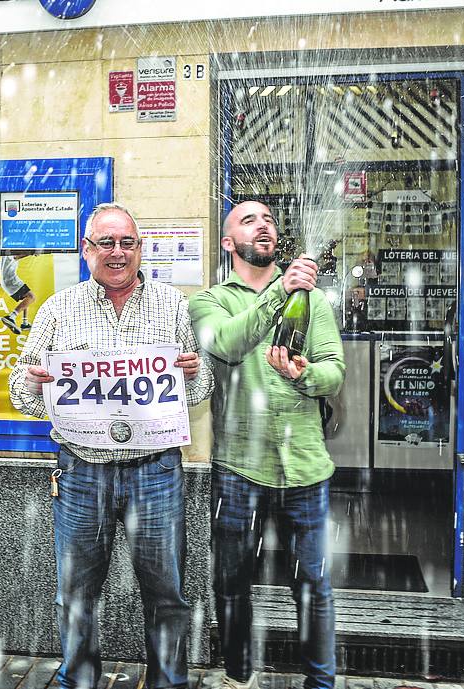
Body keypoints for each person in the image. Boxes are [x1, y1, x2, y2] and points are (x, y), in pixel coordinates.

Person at [9, 202, 213, 689]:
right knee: (76, 593)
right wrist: (36, 383)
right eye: (106, 242)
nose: (117, 253)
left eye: (127, 243)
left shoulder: (174, 306)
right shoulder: (57, 311)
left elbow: (200, 389)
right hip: (81, 472)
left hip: (157, 472)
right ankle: (78, 679)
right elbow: (22, 393)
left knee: (167, 592)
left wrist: (193, 374)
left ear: (141, 250)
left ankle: (168, 681)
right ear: (86, 250)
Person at [189, 200, 345, 689]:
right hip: (239, 467)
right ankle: (239, 677)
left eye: (270, 220)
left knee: (315, 586)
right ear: (227, 242)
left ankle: (320, 683)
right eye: (249, 220)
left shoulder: (314, 301)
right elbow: (230, 343)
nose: (264, 226)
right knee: (232, 584)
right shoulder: (208, 301)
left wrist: (305, 375)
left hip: (305, 467)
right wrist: (281, 290)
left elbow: (334, 372)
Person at [0, 253, 36, 334]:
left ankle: (25, 323)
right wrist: (32, 252)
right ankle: (11, 317)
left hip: (6, 282)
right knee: (31, 297)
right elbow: (16, 256)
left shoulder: (3, 255)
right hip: (11, 281)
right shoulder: (10, 251)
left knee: (26, 298)